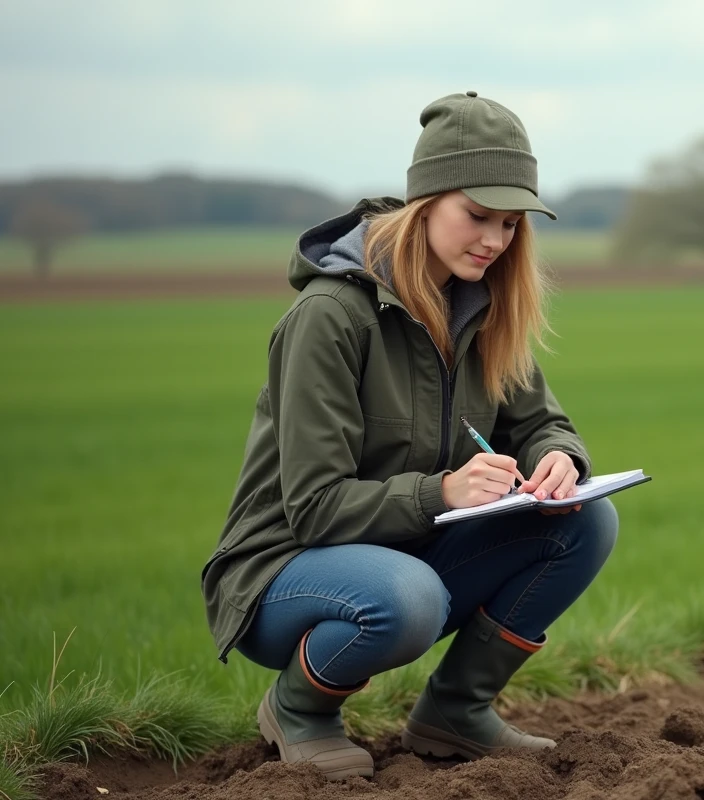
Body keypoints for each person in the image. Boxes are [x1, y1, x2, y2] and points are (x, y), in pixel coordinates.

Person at [200, 91, 619, 781]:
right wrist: (444, 491)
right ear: (424, 201)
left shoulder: (482, 307)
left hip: (405, 553)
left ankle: (456, 711)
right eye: (477, 216)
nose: (495, 240)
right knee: (410, 595)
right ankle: (299, 710)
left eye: (511, 224)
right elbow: (313, 506)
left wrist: (556, 462)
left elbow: (543, 422)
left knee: (585, 521)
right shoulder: (330, 317)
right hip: (282, 571)